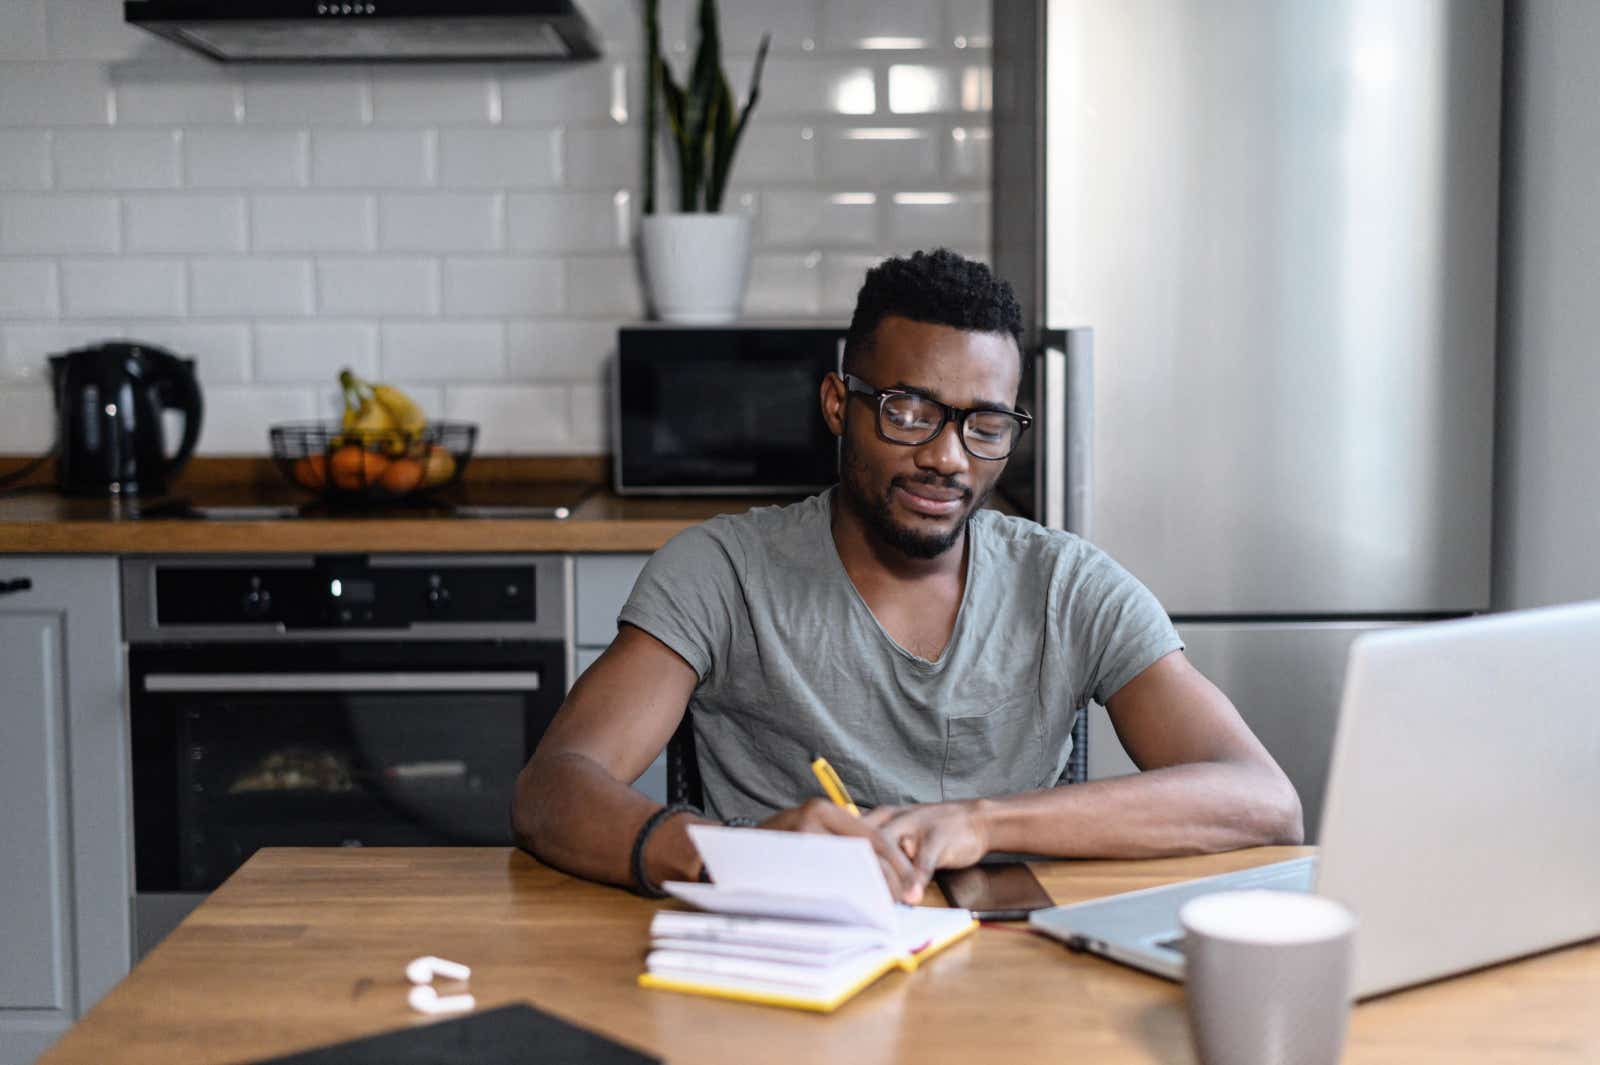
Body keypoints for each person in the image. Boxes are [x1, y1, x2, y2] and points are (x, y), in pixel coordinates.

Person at [512, 249, 1303, 903]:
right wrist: (724, 852)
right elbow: (550, 789)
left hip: (1006, 981)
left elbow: (1264, 801)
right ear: (837, 402)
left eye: (983, 424)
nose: (947, 456)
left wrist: (984, 822)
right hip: (779, 971)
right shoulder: (719, 572)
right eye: (909, 411)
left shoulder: (1067, 585)